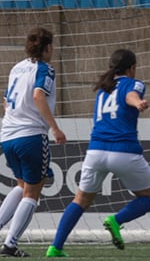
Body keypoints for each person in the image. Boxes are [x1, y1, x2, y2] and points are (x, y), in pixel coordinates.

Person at [46, 49, 150, 258]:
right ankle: (116, 220)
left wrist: (134, 102)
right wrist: (138, 103)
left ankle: (55, 247)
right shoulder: (134, 83)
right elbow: (130, 95)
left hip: (96, 151)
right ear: (131, 67)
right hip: (124, 151)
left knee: (80, 200)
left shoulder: (103, 88)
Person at [0, 27, 67, 257]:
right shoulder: (46, 69)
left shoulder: (16, 68)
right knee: (32, 193)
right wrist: (55, 128)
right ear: (48, 47)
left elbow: (6, 100)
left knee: (22, 186)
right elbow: (39, 95)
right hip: (30, 135)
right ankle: (10, 244)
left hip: (7, 134)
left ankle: (7, 239)